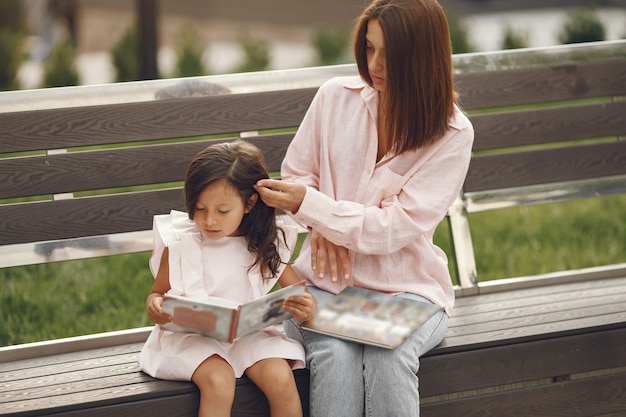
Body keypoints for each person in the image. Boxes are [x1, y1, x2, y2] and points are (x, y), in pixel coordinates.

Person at [255, 0, 474, 415]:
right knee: (334, 357)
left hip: (408, 291)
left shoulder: (452, 133)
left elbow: (394, 227)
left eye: (389, 54)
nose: (374, 64)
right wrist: (320, 225)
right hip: (324, 285)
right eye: (369, 48)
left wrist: (320, 214)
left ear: (423, 59)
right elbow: (298, 173)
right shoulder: (335, 97)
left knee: (388, 358)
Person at [139, 140, 317, 417]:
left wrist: (306, 308)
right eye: (199, 208)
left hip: (248, 336)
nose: (209, 220)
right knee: (218, 381)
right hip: (191, 339)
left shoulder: (265, 244)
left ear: (249, 204)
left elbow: (299, 295)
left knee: (281, 379)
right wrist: (155, 306)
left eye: (222, 211)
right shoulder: (181, 244)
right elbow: (157, 294)